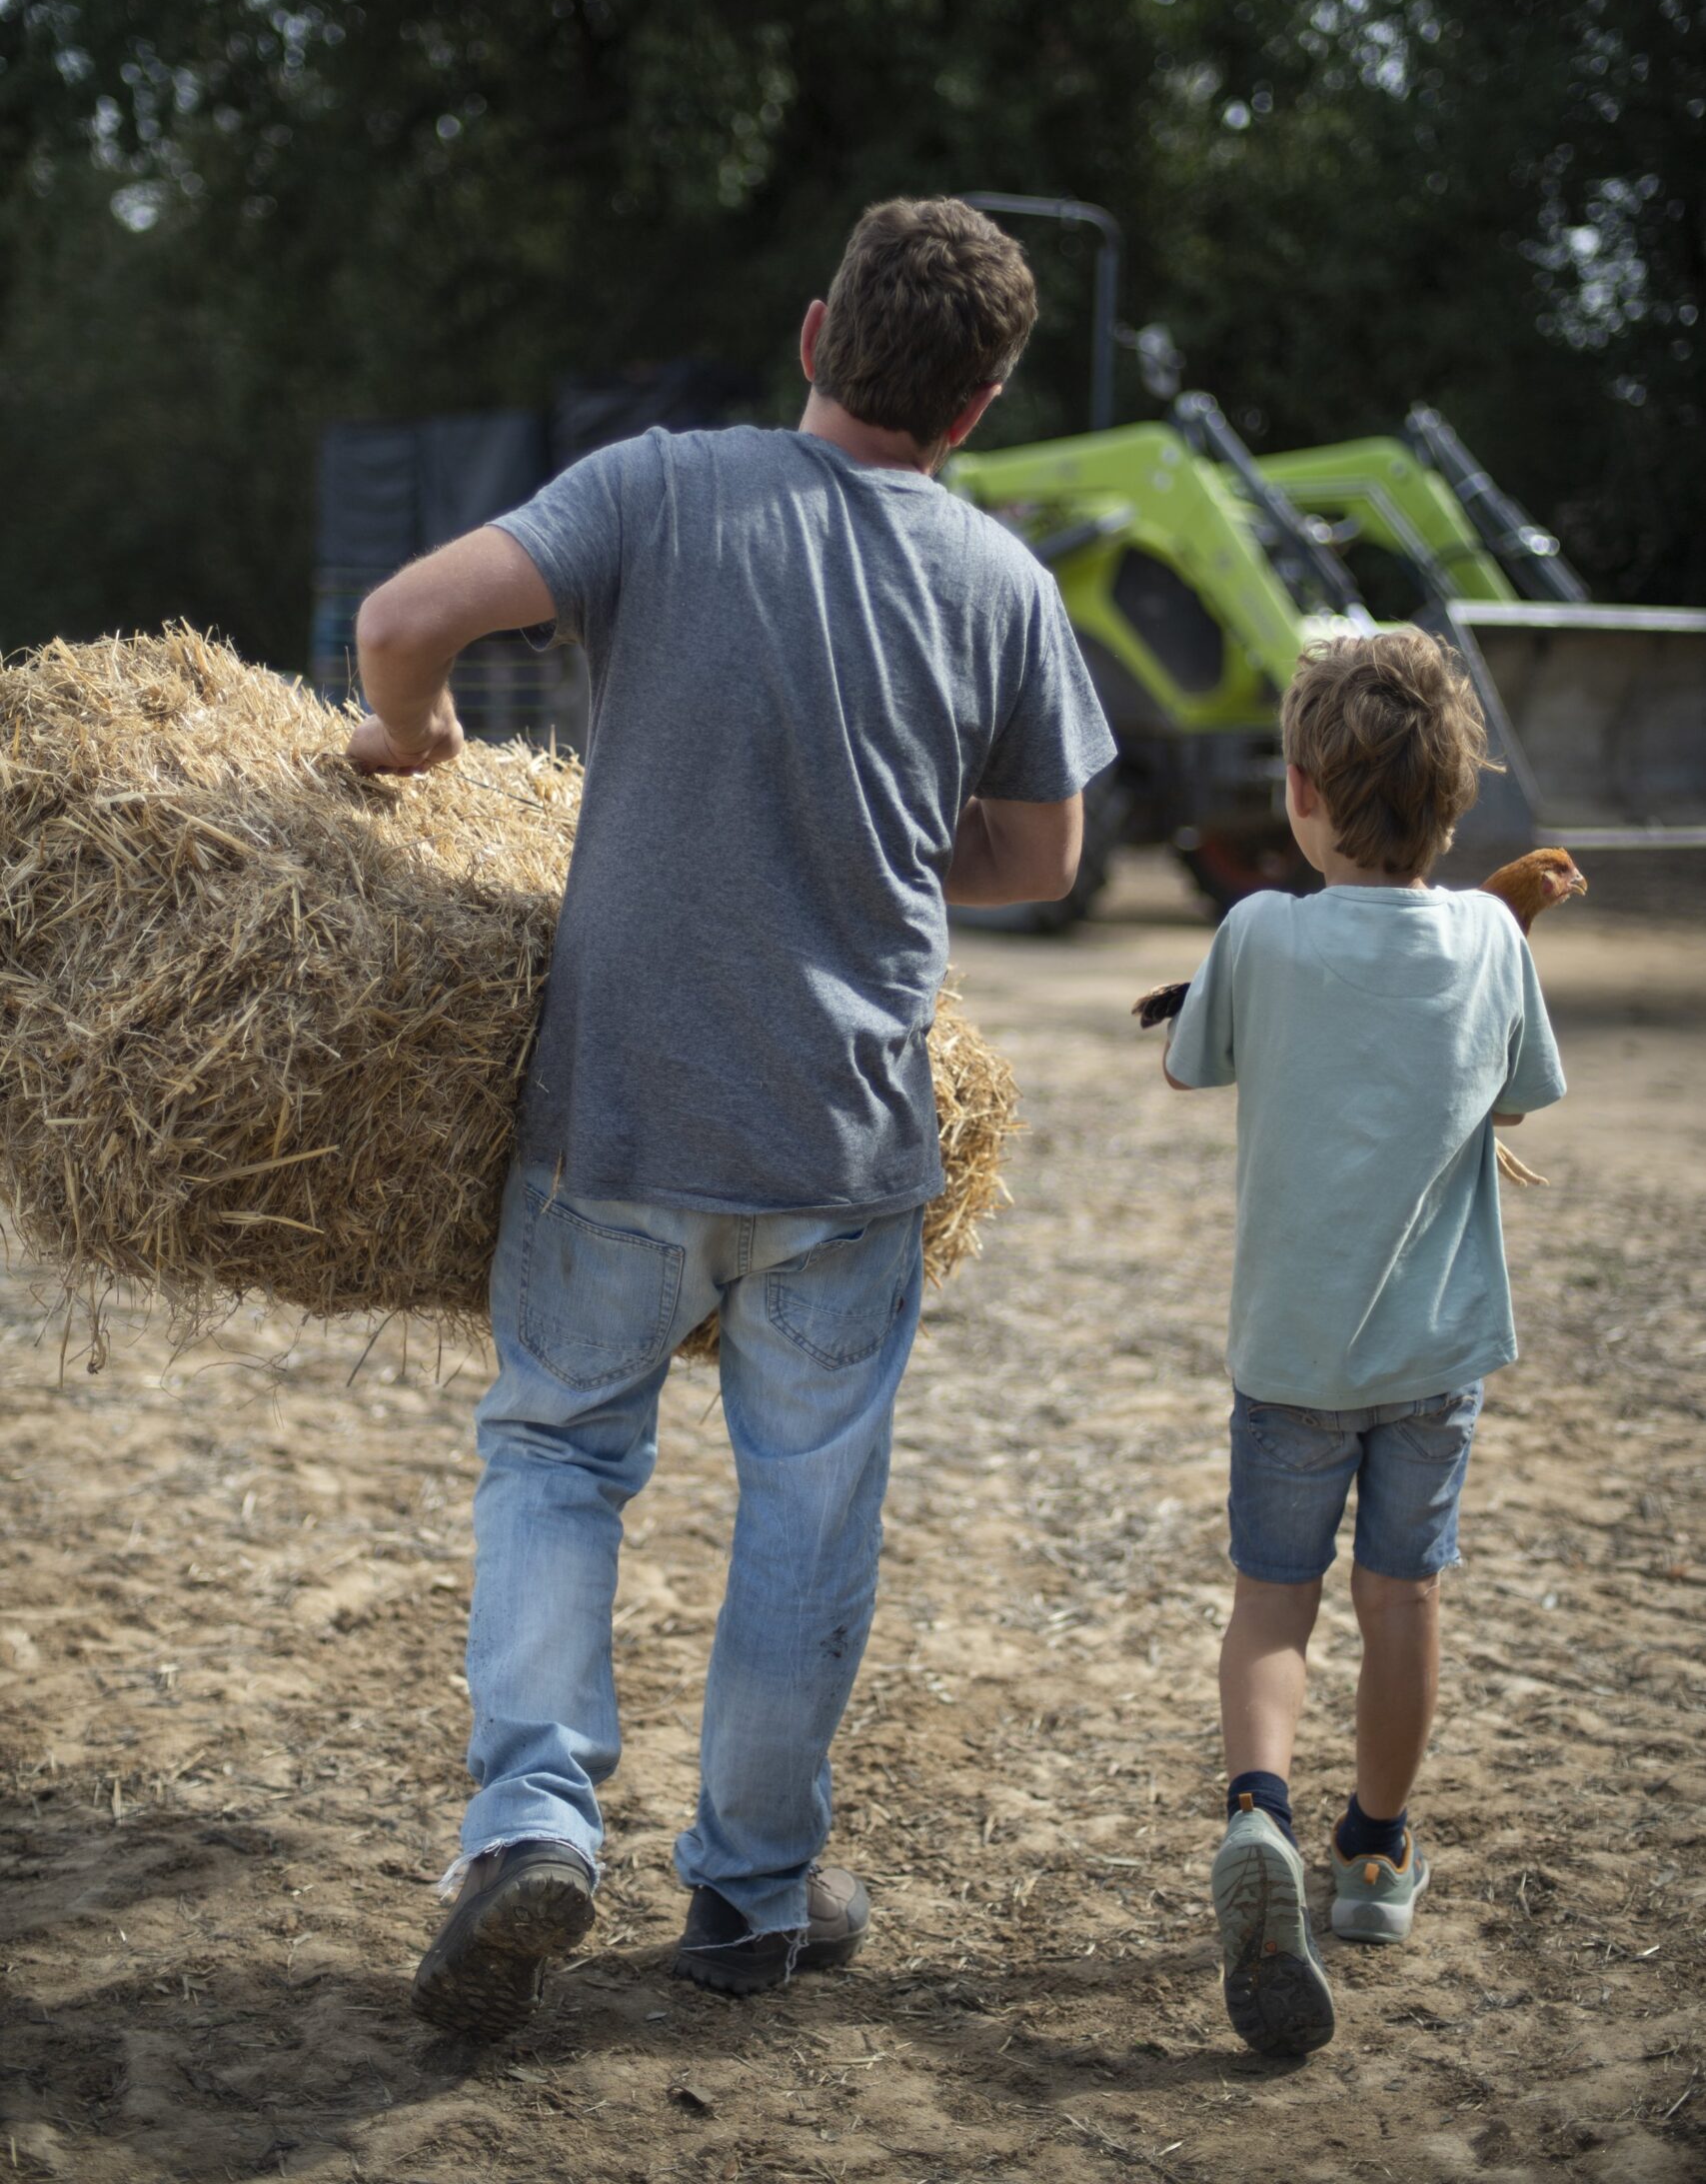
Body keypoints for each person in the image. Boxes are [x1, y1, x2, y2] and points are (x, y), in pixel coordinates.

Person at [346, 197, 1117, 2039]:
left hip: (615, 1123)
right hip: (844, 1152)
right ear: (982, 404)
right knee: (808, 1511)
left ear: (811, 336)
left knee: (555, 1453)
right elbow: (1041, 854)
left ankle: (531, 1824)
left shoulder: (661, 489)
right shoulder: (1003, 582)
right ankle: (757, 1896)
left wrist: (410, 738)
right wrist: (855, 818)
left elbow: (399, 619)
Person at [1160, 627, 1565, 2059]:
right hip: (1434, 1360)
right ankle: (1374, 1858)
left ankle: (1255, 1817)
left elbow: (1188, 1058)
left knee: (1274, 1602)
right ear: (1456, 811)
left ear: (1300, 793)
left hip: (1289, 1357)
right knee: (1405, 1603)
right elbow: (1519, 1094)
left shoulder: (1258, 931)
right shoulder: (1490, 940)